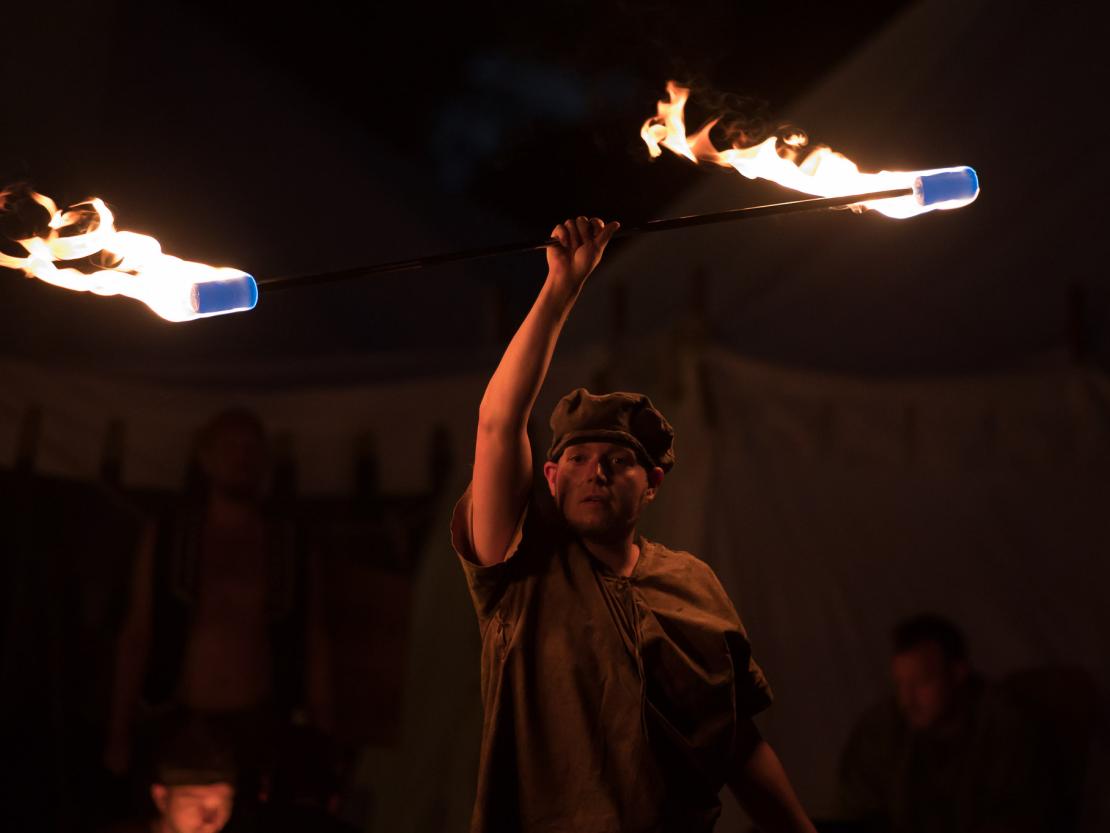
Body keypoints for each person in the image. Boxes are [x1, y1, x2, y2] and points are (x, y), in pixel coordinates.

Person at [452, 215, 816, 832]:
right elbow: (497, 423)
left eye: (619, 462)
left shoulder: (693, 586)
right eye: (578, 458)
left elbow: (738, 743)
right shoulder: (520, 570)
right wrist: (561, 289)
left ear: (650, 485)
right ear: (551, 478)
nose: (596, 472)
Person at [104, 409, 330, 800]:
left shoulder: (286, 544)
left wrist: (322, 733)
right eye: (230, 447)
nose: (242, 458)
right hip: (179, 716)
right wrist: (118, 729)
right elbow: (137, 632)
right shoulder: (173, 536)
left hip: (261, 720)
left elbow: (315, 637)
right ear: (205, 457)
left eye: (251, 449)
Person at [837, 613, 1048, 833]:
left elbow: (1020, 815)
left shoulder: (1003, 729)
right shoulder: (881, 732)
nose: (907, 700)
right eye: (900, 684)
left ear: (957, 674)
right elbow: (855, 808)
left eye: (922, 682)